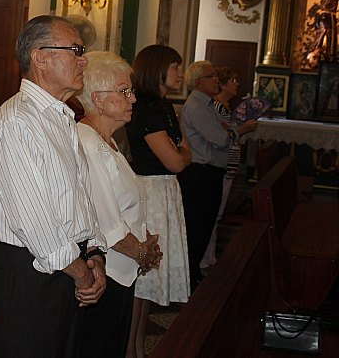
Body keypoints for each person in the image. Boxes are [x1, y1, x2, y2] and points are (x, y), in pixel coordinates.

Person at [0, 15, 107, 358]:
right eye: (76, 50)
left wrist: (94, 253)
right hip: (32, 274)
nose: (83, 60)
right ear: (41, 57)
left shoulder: (61, 117)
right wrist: (83, 273)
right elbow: (34, 222)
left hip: (68, 266)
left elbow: (79, 197)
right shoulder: (16, 122)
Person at [76, 51, 161, 358]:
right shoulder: (87, 143)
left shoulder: (107, 141)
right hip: (103, 272)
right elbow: (106, 223)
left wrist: (145, 241)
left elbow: (126, 201)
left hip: (119, 269)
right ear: (98, 99)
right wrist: (141, 252)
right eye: (124, 91)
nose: (133, 99)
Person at [125, 44, 192, 358]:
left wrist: (183, 152)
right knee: (142, 281)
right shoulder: (149, 108)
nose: (180, 72)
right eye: (175, 66)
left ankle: (138, 348)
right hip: (150, 193)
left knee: (147, 286)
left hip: (163, 190)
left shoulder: (162, 105)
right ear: (157, 70)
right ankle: (131, 349)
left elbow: (181, 151)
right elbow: (176, 160)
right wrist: (184, 154)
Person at [179, 60, 256, 293]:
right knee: (197, 228)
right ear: (199, 82)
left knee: (205, 226)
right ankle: (189, 277)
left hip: (210, 172)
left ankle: (192, 275)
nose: (217, 81)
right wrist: (232, 131)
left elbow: (223, 132)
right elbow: (221, 138)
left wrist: (227, 131)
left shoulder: (208, 104)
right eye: (212, 77)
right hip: (201, 174)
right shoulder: (197, 106)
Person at [200, 67, 256, 268]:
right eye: (233, 79)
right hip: (219, 165)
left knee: (218, 213)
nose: (237, 84)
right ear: (223, 84)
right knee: (213, 213)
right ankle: (206, 258)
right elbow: (221, 137)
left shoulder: (225, 106)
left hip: (227, 165)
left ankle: (209, 256)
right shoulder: (216, 107)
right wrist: (244, 129)